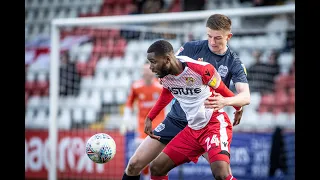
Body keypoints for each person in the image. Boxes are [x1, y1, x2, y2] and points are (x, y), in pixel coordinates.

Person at [122, 14, 250, 180]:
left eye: (218, 38)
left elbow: (245, 96)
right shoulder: (190, 48)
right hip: (176, 119)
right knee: (135, 164)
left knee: (222, 174)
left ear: (228, 37)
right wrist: (151, 116)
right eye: (209, 36)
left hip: (206, 121)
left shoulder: (234, 62)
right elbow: (171, 80)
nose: (212, 42)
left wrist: (232, 103)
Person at [144, 39, 245, 180]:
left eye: (153, 62)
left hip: (213, 125)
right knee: (156, 168)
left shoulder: (201, 70)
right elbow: (167, 93)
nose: (151, 67)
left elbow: (222, 89)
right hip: (192, 130)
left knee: (221, 174)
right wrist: (150, 117)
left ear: (167, 60)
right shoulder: (164, 76)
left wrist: (238, 107)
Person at [120, 62, 166, 179]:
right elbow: (129, 104)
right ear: (142, 72)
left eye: (149, 70)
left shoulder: (161, 87)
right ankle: (145, 177)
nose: (147, 73)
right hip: (142, 126)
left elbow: (169, 104)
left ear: (153, 71)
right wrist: (126, 120)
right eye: (144, 71)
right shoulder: (136, 87)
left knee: (158, 158)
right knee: (141, 156)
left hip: (158, 126)